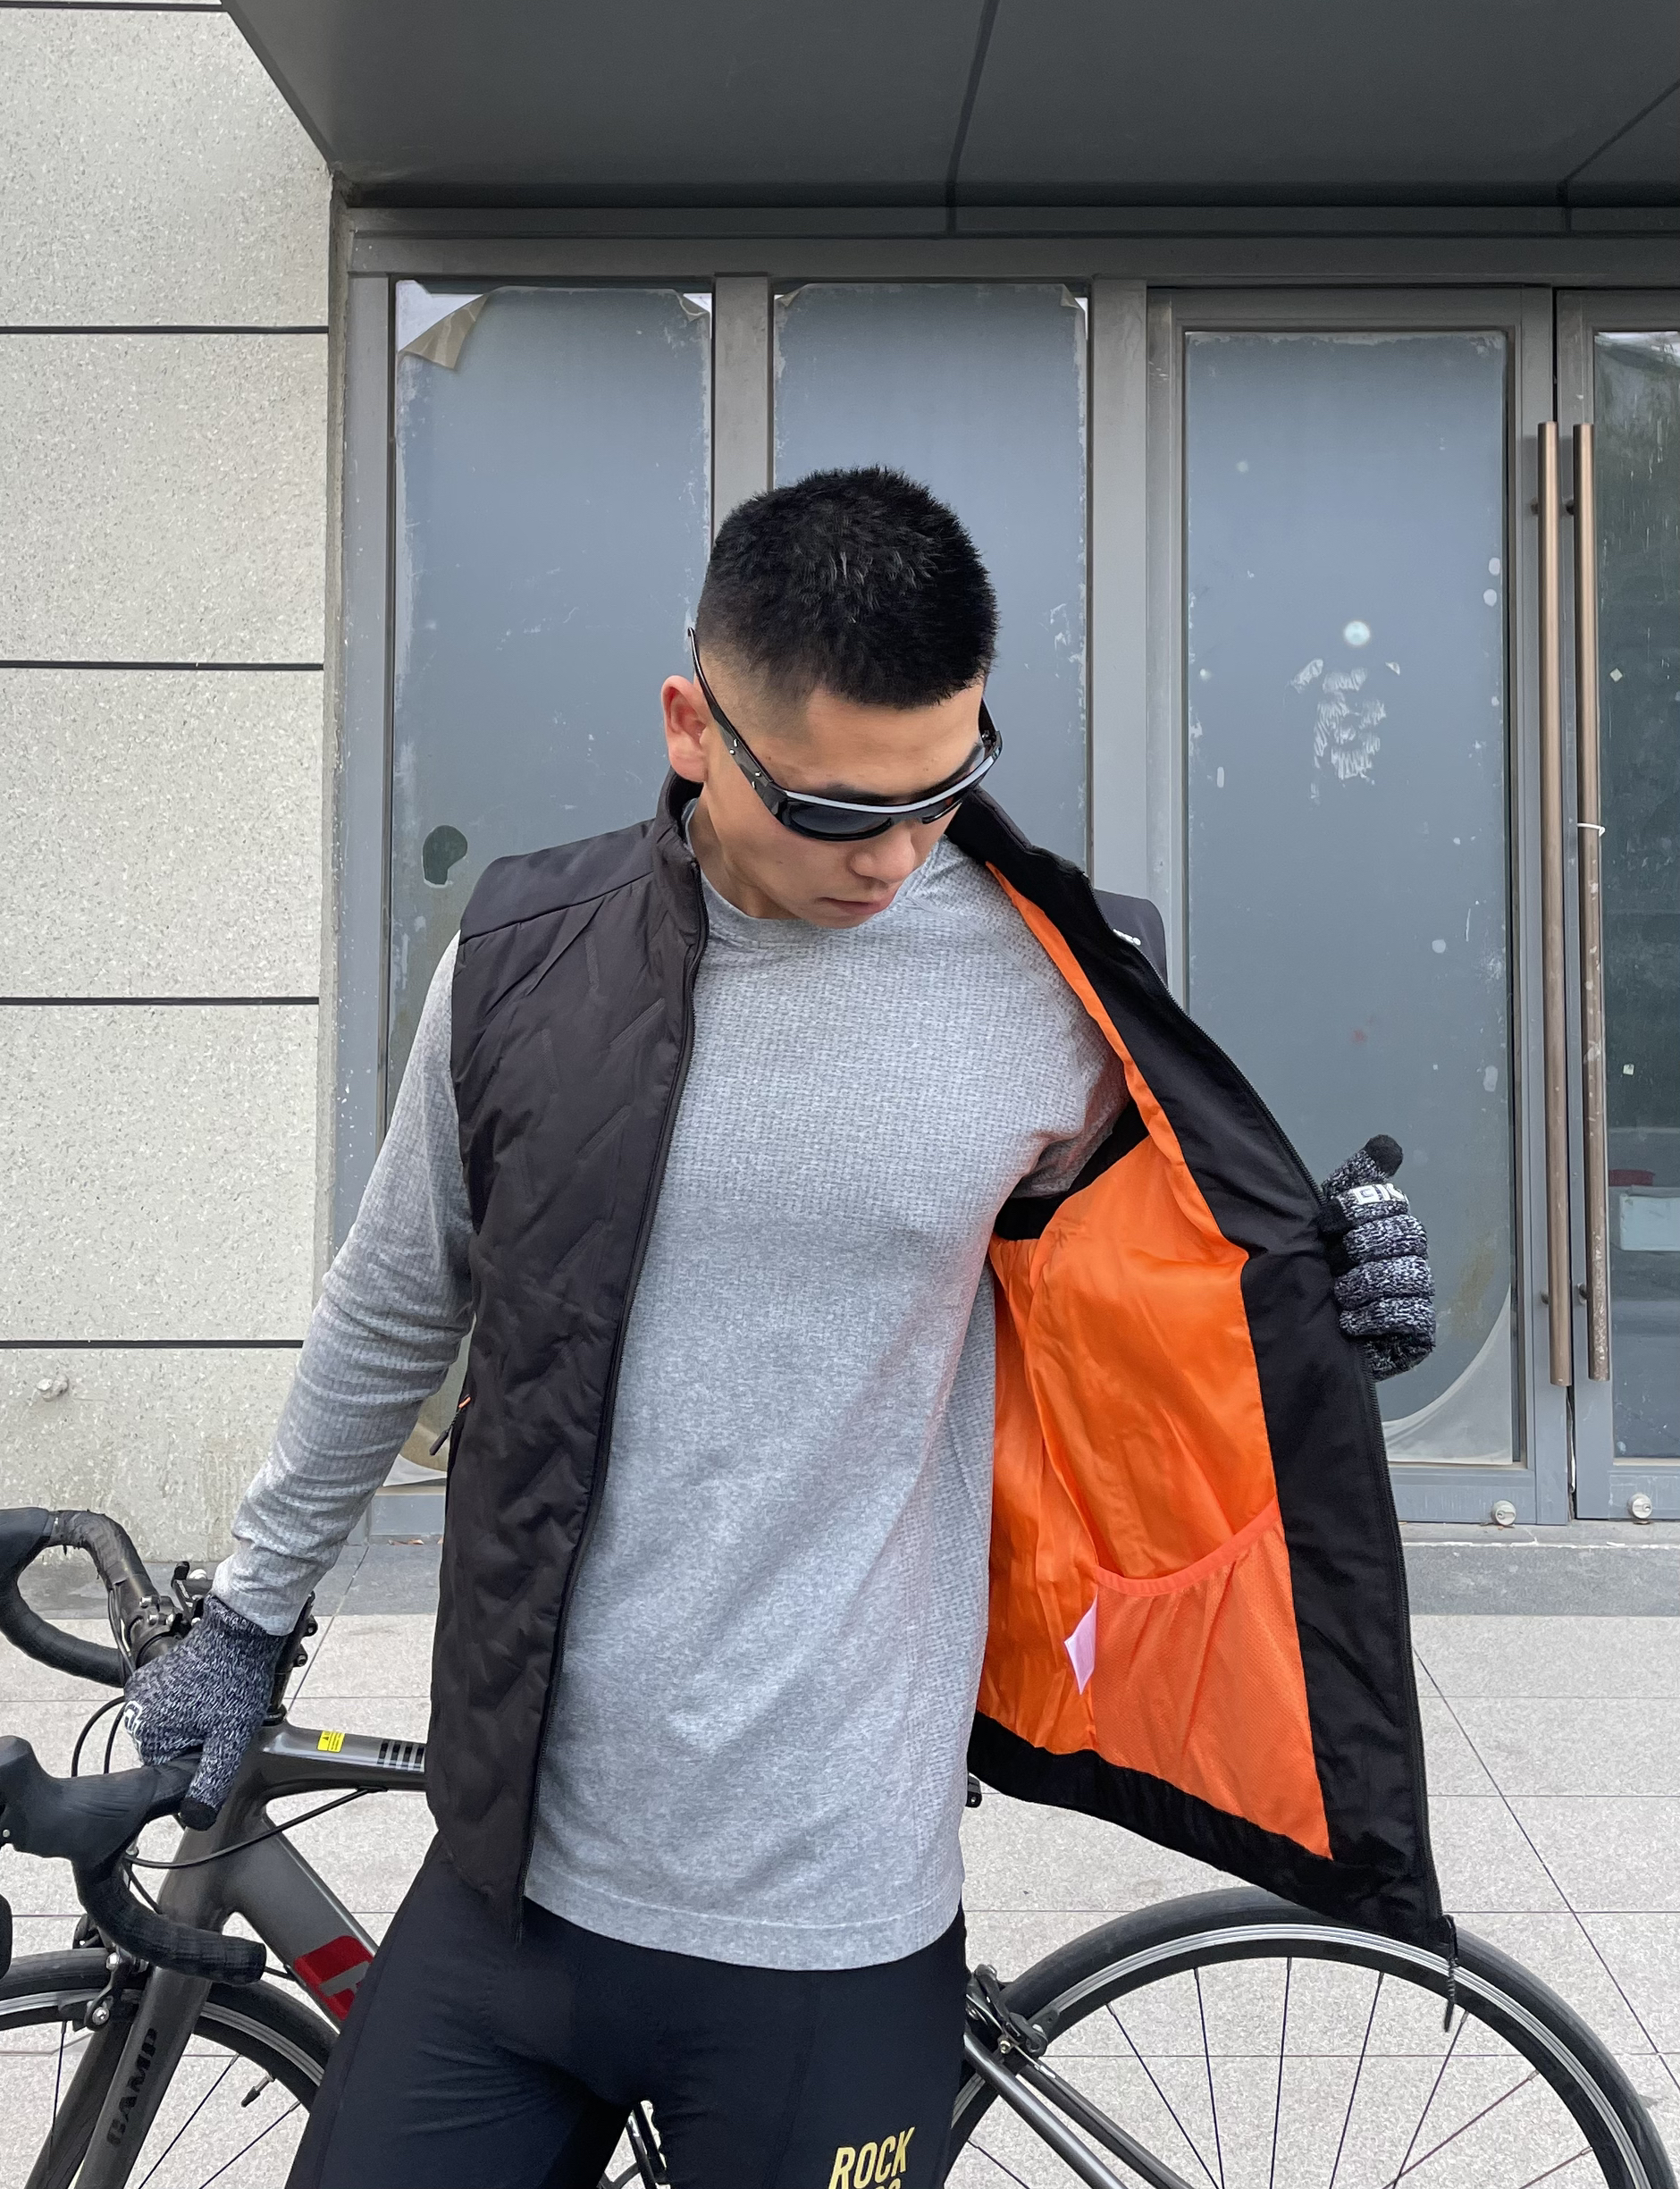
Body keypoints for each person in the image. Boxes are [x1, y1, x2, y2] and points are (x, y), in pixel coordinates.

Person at [126, 468, 1436, 2189]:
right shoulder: (522, 958)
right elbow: (391, 1306)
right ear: (693, 726)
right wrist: (248, 1612)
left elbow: (1180, 1272)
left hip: (836, 1920)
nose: (895, 858)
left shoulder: (1057, 984)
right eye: (836, 809)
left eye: (944, 791)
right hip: (514, 1883)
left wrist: (1324, 1293)